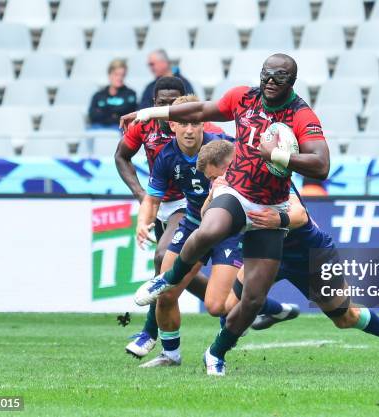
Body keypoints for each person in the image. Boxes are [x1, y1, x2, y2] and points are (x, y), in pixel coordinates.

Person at [124, 53, 330, 376]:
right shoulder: (243, 97)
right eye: (267, 74)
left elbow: (321, 164)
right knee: (209, 229)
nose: (271, 81)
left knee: (251, 300)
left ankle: (215, 352)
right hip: (236, 191)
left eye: (280, 76)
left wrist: (278, 155)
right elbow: (202, 110)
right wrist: (151, 112)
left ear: (292, 81)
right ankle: (167, 278)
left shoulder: (301, 114)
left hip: (270, 207)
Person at [196, 139, 379, 375]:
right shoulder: (223, 186)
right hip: (264, 253)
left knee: (345, 317)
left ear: (231, 165)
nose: (213, 181)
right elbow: (206, 216)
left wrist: (279, 220)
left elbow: (299, 215)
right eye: (210, 178)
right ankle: (216, 353)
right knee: (231, 305)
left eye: (214, 176)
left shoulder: (267, 174)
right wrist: (213, 193)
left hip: (307, 255)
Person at [135, 98, 299, 368]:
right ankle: (170, 355)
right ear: (172, 125)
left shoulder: (227, 147)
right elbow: (154, 200)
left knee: (217, 305)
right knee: (166, 293)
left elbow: (264, 176)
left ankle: (263, 308)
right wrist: (144, 221)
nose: (189, 130)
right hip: (194, 223)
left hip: (230, 229)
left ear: (203, 123)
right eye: (183, 124)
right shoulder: (166, 155)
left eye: (195, 123)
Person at [116, 77, 210, 359]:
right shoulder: (143, 126)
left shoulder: (194, 127)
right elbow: (122, 157)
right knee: (181, 272)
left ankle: (149, 334)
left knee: (162, 258)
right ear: (153, 104)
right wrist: (140, 194)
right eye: (161, 104)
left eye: (173, 104)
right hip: (158, 200)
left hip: (188, 201)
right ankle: (243, 308)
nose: (167, 109)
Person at [89, 59, 137, 130]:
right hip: (99, 128)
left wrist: (104, 111)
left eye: (122, 75)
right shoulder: (98, 95)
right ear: (109, 75)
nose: (119, 78)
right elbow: (93, 115)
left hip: (120, 129)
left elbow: (128, 114)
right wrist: (114, 115)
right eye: (116, 74)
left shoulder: (130, 94)